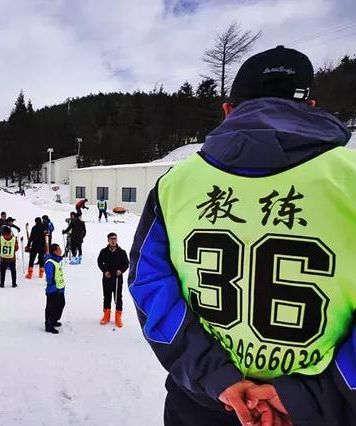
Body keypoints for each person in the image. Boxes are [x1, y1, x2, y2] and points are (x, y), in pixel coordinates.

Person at [128, 46, 356, 426]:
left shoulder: (174, 186)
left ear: (229, 110)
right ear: (312, 105)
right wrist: (309, 396)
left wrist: (215, 376)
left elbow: (149, 284)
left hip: (202, 404)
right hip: (320, 409)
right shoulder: (349, 179)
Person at [97, 233, 129, 327]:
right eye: (111, 239)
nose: (113, 240)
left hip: (118, 278)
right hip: (107, 278)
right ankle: (106, 315)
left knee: (118, 297)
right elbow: (99, 262)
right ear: (108, 240)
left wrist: (121, 270)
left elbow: (126, 263)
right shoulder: (103, 251)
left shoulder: (122, 252)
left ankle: (118, 317)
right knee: (107, 296)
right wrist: (104, 271)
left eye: (115, 239)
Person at [44, 243, 65, 334]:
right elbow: (49, 276)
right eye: (59, 249)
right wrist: (52, 286)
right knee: (51, 308)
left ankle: (55, 320)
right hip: (53, 290)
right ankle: (49, 324)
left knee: (61, 304)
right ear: (54, 251)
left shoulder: (58, 260)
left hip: (60, 288)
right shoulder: (50, 262)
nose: (60, 251)